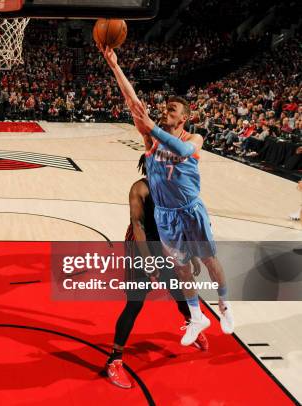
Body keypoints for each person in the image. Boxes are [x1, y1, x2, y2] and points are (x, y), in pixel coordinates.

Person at [99, 44, 234, 346]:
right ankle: (119, 355)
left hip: (178, 223)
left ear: (185, 117)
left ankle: (207, 316)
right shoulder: (143, 174)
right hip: (152, 235)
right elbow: (133, 102)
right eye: (165, 109)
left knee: (191, 276)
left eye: (171, 109)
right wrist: (114, 65)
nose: (164, 112)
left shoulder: (190, 140)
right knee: (148, 295)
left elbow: (188, 152)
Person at [105, 155, 208, 389]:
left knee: (180, 294)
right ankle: (114, 360)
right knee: (134, 304)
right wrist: (149, 262)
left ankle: (193, 323)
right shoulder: (139, 189)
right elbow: (138, 226)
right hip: (139, 248)